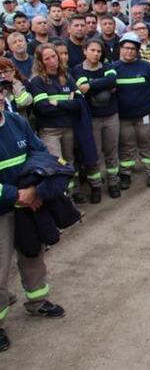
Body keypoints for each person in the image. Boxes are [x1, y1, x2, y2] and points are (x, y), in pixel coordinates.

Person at [0, 84, 66, 353]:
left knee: (32, 253)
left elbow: (38, 153)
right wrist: (17, 194)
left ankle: (38, 301)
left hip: (26, 202)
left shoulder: (17, 121)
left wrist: (34, 187)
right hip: (5, 207)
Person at [28, 44, 93, 203]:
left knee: (70, 162)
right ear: (40, 62)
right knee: (57, 165)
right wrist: (66, 103)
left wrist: (56, 102)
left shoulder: (67, 76)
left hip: (69, 128)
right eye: (47, 58)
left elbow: (78, 103)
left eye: (54, 56)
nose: (52, 61)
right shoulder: (37, 81)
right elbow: (43, 109)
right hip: (50, 131)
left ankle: (74, 191)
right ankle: (63, 200)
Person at [114, 33, 150, 189]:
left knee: (147, 143)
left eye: (133, 49)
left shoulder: (146, 67)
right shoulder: (113, 69)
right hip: (124, 117)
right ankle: (125, 174)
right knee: (126, 146)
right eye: (126, 48)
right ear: (120, 49)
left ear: (137, 51)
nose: (129, 51)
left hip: (146, 114)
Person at [73, 38, 120, 200]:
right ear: (85, 51)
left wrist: (92, 85)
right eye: (92, 50)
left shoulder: (108, 66)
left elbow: (112, 80)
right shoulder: (77, 70)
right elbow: (82, 87)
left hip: (111, 115)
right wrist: (103, 84)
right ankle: (96, 187)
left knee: (112, 151)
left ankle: (113, 183)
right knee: (94, 155)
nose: (96, 54)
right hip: (92, 119)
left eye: (99, 51)